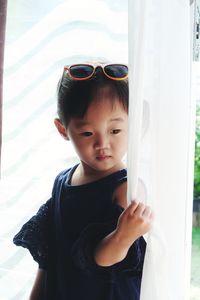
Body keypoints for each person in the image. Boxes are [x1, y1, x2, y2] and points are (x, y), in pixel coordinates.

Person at [13, 63, 154, 300]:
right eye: (88, 133)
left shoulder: (124, 188)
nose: (103, 144)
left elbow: (100, 259)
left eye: (115, 131)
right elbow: (49, 258)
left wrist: (123, 236)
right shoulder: (62, 181)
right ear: (63, 129)